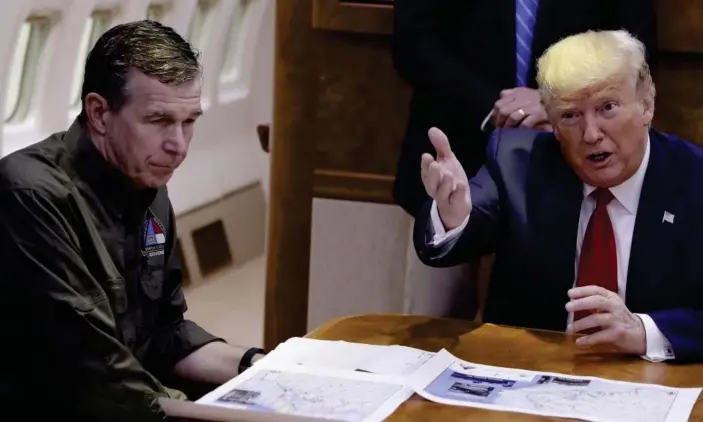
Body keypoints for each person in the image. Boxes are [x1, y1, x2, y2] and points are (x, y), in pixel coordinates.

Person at [0, 20, 265, 420]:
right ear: (99, 113)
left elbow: (165, 332)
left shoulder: (148, 187)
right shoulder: (30, 195)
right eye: (158, 121)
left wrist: (259, 365)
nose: (178, 146)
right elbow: (94, 369)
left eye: (189, 121)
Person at [414, 29, 703, 363]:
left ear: (647, 105)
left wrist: (643, 331)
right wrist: (452, 214)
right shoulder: (517, 162)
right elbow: (459, 234)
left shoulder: (693, 180)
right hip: (530, 374)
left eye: (607, 108)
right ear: (551, 122)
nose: (592, 134)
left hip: (654, 380)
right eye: (570, 116)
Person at [392, 0, 656, 218]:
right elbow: (413, 43)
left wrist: (558, 101)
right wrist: (495, 107)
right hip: (454, 153)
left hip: (571, 166)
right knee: (442, 276)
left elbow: (633, 47)